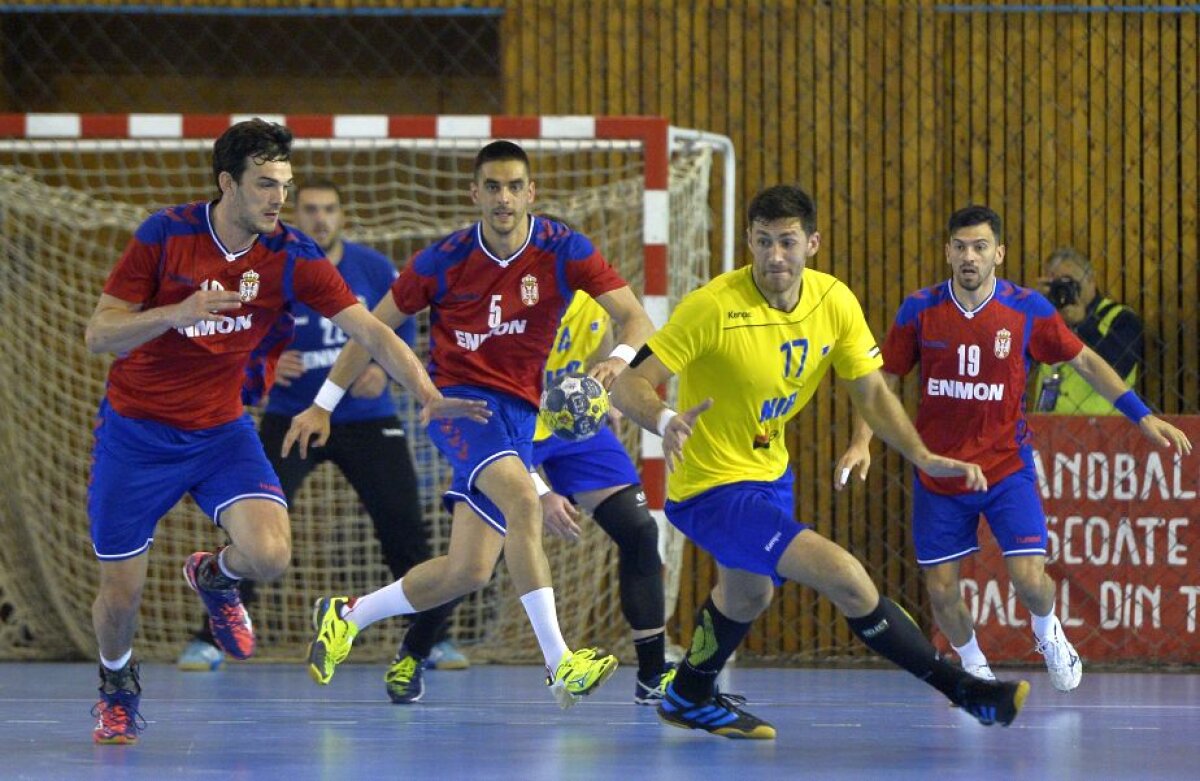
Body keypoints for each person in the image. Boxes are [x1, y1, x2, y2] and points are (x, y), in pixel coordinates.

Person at [83, 118, 488, 745]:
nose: (278, 197)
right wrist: (178, 313)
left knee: (270, 556)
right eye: (265, 184)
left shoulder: (290, 255)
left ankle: (215, 574)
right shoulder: (167, 235)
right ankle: (116, 686)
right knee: (120, 597)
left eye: (285, 183)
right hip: (137, 435)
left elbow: (374, 330)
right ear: (228, 183)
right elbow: (99, 333)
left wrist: (430, 397)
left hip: (221, 431)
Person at [610, 185, 1031, 740]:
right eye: (763, 242)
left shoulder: (833, 301)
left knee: (748, 594)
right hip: (709, 486)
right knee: (846, 576)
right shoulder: (712, 307)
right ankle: (968, 691)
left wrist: (920, 453)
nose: (775, 256)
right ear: (750, 243)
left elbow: (872, 393)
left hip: (769, 474)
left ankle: (688, 694)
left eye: (787, 242)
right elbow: (628, 386)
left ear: (812, 243)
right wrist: (666, 420)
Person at [285, 141, 657, 709]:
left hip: (520, 414)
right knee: (527, 505)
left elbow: (635, 316)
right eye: (492, 187)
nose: (503, 198)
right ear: (474, 193)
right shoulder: (443, 259)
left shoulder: (563, 249)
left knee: (469, 569)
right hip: (459, 406)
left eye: (514, 186)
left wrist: (618, 359)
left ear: (531, 193)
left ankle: (347, 615)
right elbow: (372, 329)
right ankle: (560, 663)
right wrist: (323, 404)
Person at [836, 205, 1191, 692]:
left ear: (998, 254)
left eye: (980, 247)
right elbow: (883, 380)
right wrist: (862, 441)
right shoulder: (920, 308)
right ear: (947, 252)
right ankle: (974, 664)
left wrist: (1142, 415)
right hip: (940, 472)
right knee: (942, 594)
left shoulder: (1026, 309)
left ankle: (1047, 631)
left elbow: (1085, 359)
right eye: (960, 246)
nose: (969, 256)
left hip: (1006, 467)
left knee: (1029, 579)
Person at [175, 180, 469, 684]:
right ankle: (214, 635)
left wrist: (383, 363)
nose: (319, 218)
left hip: (367, 419)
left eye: (329, 209)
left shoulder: (373, 268)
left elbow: (401, 325)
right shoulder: (274, 265)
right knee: (254, 526)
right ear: (296, 214)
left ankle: (433, 636)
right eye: (309, 209)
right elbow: (236, 328)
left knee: (402, 523)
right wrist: (262, 359)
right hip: (293, 417)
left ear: (342, 216)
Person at [531, 286, 673, 705]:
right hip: (511, 429)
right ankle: (414, 652)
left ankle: (651, 676)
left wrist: (604, 396)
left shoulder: (588, 299)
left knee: (640, 533)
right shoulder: (509, 311)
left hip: (573, 429)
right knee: (477, 560)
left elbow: (608, 352)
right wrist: (540, 492)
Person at [1032, 246, 1144, 415]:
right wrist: (1031, 307)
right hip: (1049, 427)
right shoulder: (1046, 319)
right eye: (1056, 283)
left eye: (1069, 282)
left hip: (1104, 428)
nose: (1064, 289)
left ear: (1091, 280)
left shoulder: (1122, 318)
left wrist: (1081, 324)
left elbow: (1117, 366)